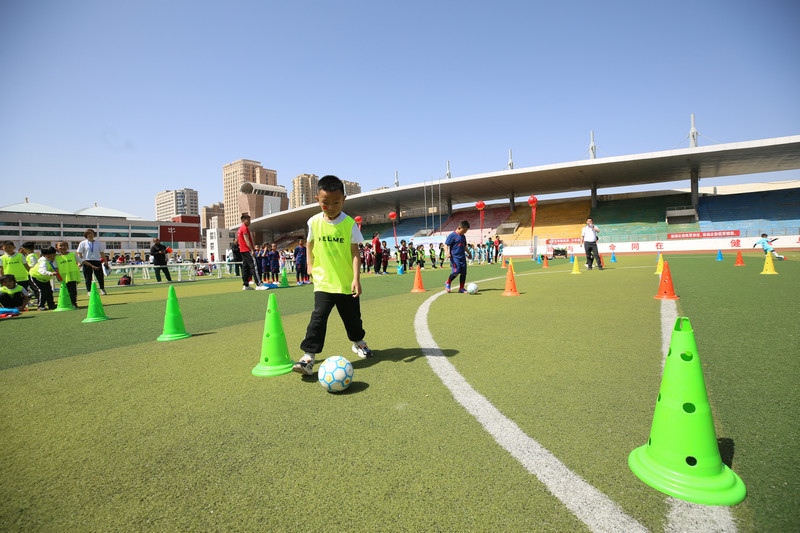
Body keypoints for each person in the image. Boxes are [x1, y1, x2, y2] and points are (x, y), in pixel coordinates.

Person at [293, 175, 373, 376]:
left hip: (346, 282)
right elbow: (310, 242)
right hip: (323, 281)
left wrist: (356, 278)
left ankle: (358, 342)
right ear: (317, 199)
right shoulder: (313, 222)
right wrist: (310, 264)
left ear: (344, 200)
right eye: (325, 203)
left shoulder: (349, 224)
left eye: (336, 202)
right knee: (318, 318)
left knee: (353, 318)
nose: (331, 206)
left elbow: (356, 253)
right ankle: (308, 356)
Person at [236, 214, 268, 291]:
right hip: (247, 250)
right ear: (243, 220)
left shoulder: (240, 229)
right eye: (248, 220)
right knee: (254, 266)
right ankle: (259, 284)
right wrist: (252, 250)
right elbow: (247, 240)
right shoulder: (244, 228)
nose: (249, 221)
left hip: (242, 250)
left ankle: (246, 285)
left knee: (245, 268)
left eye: (250, 220)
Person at [76, 229, 107, 294]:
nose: (90, 235)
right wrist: (79, 262)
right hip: (86, 261)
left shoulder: (98, 243)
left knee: (100, 276)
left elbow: (102, 253)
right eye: (89, 233)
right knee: (88, 277)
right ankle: (89, 291)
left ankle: (102, 289)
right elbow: (80, 253)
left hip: (97, 261)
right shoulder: (83, 243)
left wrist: (105, 261)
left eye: (92, 233)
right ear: (86, 235)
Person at [30, 246, 60, 310]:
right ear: (44, 255)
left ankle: (51, 305)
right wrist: (50, 273)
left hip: (45, 279)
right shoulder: (43, 262)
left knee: (49, 291)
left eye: (53, 255)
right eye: (49, 256)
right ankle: (40, 306)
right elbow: (42, 271)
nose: (52, 257)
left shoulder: (55, 259)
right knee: (41, 291)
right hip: (36, 277)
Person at [444, 220, 470, 293]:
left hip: (462, 257)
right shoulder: (452, 235)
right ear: (459, 227)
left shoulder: (463, 236)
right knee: (456, 272)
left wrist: (469, 253)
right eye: (464, 230)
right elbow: (446, 244)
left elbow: (464, 246)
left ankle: (461, 288)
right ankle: (448, 282)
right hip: (455, 258)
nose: (465, 232)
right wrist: (447, 252)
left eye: (466, 231)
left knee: (463, 273)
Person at [55, 241, 82, 308]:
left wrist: (79, 265)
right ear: (57, 247)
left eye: (65, 245)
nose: (63, 247)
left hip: (72, 276)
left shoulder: (72, 254)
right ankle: (66, 304)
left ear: (67, 247)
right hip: (63, 276)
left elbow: (81, 261)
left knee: (72, 290)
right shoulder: (56, 257)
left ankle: (73, 303)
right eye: (61, 246)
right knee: (64, 290)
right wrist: (57, 275)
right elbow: (56, 267)